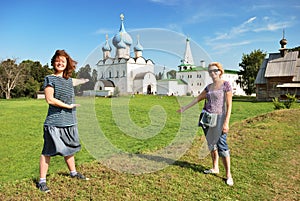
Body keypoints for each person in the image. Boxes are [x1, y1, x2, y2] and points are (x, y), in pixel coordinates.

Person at [37, 50, 90, 193]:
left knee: (69, 149)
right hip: (54, 122)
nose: (60, 63)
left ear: (67, 64)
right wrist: (68, 106)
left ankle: (73, 173)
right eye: (58, 60)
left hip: (70, 121)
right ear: (54, 62)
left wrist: (89, 80)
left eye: (63, 61)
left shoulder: (69, 80)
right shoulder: (50, 78)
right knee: (47, 151)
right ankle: (42, 181)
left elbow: (80, 81)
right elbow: (49, 99)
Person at [177, 62, 234, 186]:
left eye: (215, 70)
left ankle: (228, 174)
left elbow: (229, 105)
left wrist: (226, 122)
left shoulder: (226, 85)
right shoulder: (209, 87)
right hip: (207, 118)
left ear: (220, 71)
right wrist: (184, 108)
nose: (212, 73)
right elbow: (198, 98)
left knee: (222, 145)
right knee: (211, 144)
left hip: (219, 118)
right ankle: (215, 168)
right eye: (210, 71)